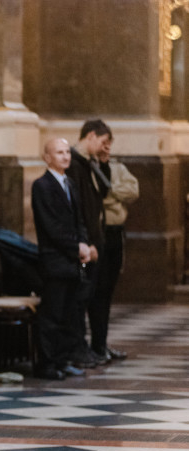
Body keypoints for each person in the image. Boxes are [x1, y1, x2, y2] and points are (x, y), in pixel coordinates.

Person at [31, 138, 92, 380]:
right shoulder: (42, 186)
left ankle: (63, 359)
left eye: (67, 152)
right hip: (55, 260)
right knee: (52, 315)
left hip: (72, 261)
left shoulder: (70, 184)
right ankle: (47, 363)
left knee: (69, 315)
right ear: (47, 157)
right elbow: (51, 226)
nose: (66, 156)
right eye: (59, 152)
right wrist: (76, 247)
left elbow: (79, 220)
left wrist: (84, 242)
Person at [68, 119, 113, 367]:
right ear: (91, 136)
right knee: (81, 299)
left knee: (93, 295)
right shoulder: (75, 164)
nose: (105, 147)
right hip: (86, 242)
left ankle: (90, 347)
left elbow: (103, 192)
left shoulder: (89, 163)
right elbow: (80, 208)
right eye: (103, 142)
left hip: (95, 238)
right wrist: (86, 241)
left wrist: (104, 163)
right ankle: (78, 348)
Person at [90, 133, 137, 361]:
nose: (106, 147)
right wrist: (112, 195)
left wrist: (111, 191)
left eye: (109, 143)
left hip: (116, 234)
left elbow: (133, 191)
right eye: (103, 143)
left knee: (108, 291)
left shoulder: (117, 167)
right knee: (97, 290)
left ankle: (102, 343)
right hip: (99, 233)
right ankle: (95, 346)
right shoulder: (89, 169)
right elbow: (98, 198)